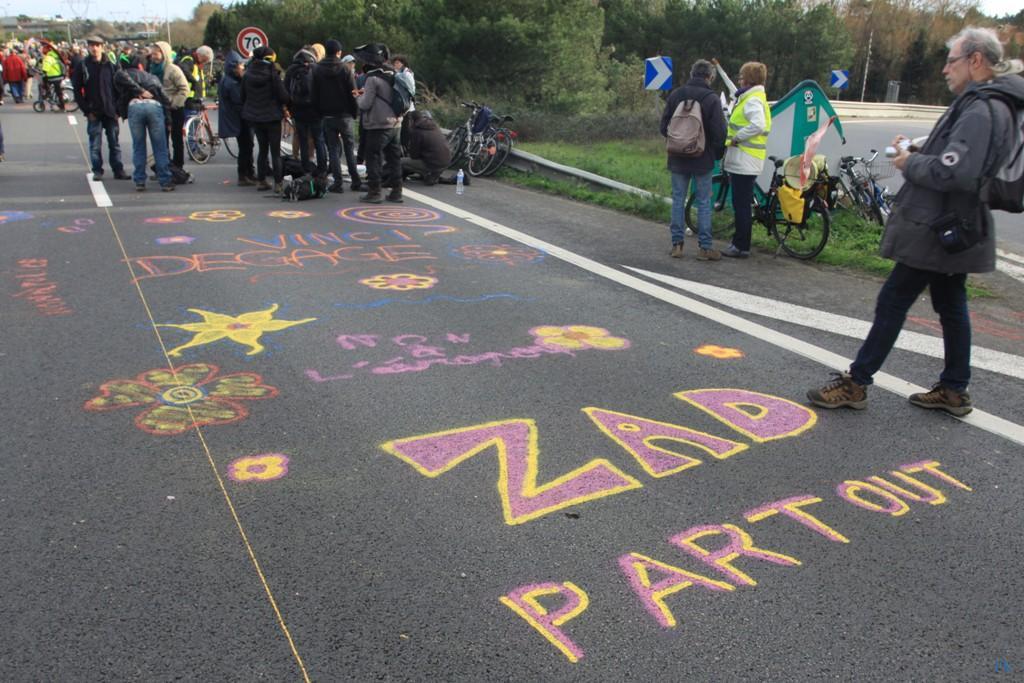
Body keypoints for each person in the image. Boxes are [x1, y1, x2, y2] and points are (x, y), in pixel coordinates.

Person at [808, 27, 1022, 417]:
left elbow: (955, 172)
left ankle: (857, 382)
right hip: (955, 225)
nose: (944, 69)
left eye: (951, 60)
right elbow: (959, 157)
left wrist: (910, 163)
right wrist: (919, 147)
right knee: (950, 304)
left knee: (894, 300)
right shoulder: (991, 103)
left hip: (935, 228)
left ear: (976, 61)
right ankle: (954, 389)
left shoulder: (980, 108)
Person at [660, 59, 727, 261]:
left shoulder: (676, 95)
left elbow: (664, 127)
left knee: (678, 200)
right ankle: (705, 248)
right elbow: (720, 132)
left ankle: (677, 245)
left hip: (677, 157)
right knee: (704, 202)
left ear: (691, 74)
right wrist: (716, 153)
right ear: (710, 77)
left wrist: (678, 143)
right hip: (702, 158)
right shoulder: (711, 98)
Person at [721, 61, 770, 258]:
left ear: (749, 80)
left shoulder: (752, 101)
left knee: (741, 205)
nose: (739, 80)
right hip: (747, 160)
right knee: (742, 203)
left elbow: (757, 125)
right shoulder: (753, 97)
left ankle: (740, 246)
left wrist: (736, 138)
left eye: (741, 77)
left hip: (744, 160)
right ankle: (740, 243)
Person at [73, 36, 129, 182]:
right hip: (94, 111)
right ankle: (97, 170)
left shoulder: (111, 64)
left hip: (111, 111)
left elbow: (120, 87)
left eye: (97, 45)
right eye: (91, 45)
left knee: (114, 143)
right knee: (95, 144)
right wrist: (86, 110)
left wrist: (118, 110)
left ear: (102, 47)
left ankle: (118, 170)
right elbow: (77, 90)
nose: (94, 48)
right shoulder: (83, 65)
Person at [114, 60, 175, 191]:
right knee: (160, 147)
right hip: (154, 106)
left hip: (134, 106)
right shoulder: (151, 77)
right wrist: (168, 120)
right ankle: (165, 181)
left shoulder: (123, 76)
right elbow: (165, 99)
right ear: (140, 66)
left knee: (139, 146)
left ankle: (140, 180)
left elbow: (118, 92)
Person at [355, 43, 403, 204]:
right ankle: (397, 192)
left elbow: (365, 104)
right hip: (395, 124)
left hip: (378, 124)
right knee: (394, 158)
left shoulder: (373, 78)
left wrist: (357, 97)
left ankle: (374, 192)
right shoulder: (394, 73)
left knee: (373, 157)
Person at [313, 39, 361, 192]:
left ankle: (338, 182)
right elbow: (353, 92)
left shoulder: (317, 69)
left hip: (327, 115)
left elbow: (314, 93)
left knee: (333, 149)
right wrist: (355, 112)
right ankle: (355, 180)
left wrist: (319, 112)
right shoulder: (345, 69)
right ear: (339, 52)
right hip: (345, 114)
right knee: (349, 148)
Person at [242, 46, 289, 194]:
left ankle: (261, 181)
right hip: (272, 117)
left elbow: (242, 96)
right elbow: (283, 95)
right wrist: (288, 102)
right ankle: (278, 183)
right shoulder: (272, 73)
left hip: (255, 117)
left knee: (262, 149)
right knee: (275, 152)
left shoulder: (248, 74)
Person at [148, 41, 190, 170]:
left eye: (156, 53)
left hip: (174, 109)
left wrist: (172, 103)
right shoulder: (151, 69)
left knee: (176, 139)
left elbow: (184, 89)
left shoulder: (173, 69)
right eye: (152, 54)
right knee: (161, 139)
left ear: (164, 53)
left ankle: (178, 167)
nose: (153, 56)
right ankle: (164, 166)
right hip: (158, 109)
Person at [285, 46, 324, 178]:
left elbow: (286, 92)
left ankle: (305, 168)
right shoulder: (317, 69)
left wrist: (290, 109)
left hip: (298, 110)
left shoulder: (291, 69)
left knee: (302, 139)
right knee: (318, 139)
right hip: (315, 111)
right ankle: (322, 169)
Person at [218, 50, 256, 186]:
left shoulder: (228, 80)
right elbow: (239, 103)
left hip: (237, 119)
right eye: (240, 65)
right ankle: (243, 175)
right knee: (246, 147)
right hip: (240, 120)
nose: (243, 67)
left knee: (246, 146)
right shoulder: (232, 83)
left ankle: (248, 173)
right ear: (234, 67)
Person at [401, 110, 451, 185]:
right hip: (446, 161)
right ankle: (431, 175)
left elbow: (414, 155)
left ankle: (428, 173)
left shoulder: (416, 131)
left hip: (432, 163)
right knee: (423, 159)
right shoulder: (434, 126)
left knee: (400, 162)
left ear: (411, 120)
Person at [40, 44, 65, 110]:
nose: (42, 50)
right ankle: (52, 99)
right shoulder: (54, 55)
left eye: (44, 48)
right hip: (59, 75)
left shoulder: (48, 57)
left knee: (44, 85)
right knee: (57, 91)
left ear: (47, 50)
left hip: (53, 76)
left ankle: (61, 105)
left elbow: (46, 68)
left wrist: (43, 72)